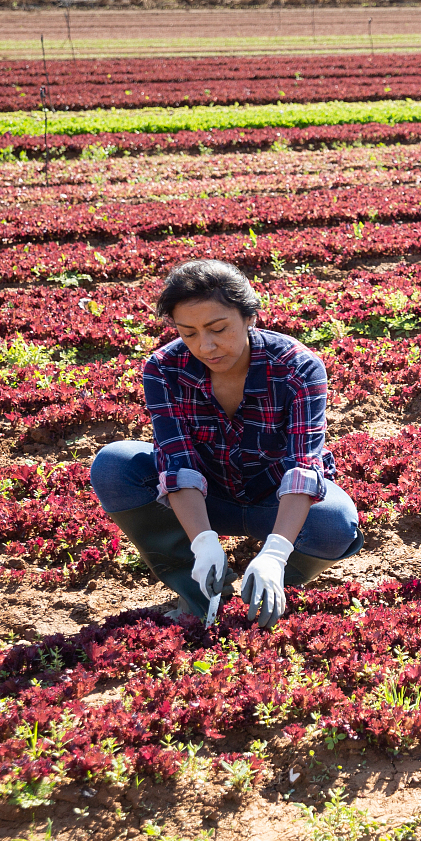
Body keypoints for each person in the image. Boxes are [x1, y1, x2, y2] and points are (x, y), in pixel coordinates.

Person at [90, 260, 362, 628]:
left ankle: (266, 589)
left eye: (219, 328)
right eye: (188, 333)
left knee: (334, 523)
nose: (206, 345)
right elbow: (177, 462)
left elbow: (303, 467)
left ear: (249, 316)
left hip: (274, 501)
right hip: (208, 498)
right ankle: (198, 592)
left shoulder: (297, 367)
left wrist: (277, 553)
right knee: (115, 465)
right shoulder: (165, 369)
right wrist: (202, 541)